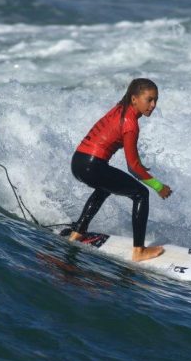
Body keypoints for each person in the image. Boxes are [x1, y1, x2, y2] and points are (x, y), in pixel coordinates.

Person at [69, 78, 172, 262]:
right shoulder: (131, 123)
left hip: (78, 162)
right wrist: (158, 186)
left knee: (104, 187)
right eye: (149, 100)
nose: (153, 105)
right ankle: (139, 251)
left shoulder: (119, 108)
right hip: (92, 165)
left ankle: (78, 232)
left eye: (156, 100)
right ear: (134, 99)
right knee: (141, 193)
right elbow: (132, 167)